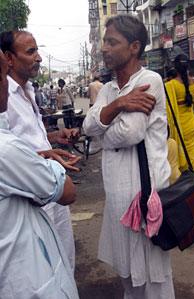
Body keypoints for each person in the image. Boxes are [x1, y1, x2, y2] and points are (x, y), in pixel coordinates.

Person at [83, 15, 175, 299]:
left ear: (134, 47)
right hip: (117, 197)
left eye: (112, 42)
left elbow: (128, 134)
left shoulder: (149, 80)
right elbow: (87, 126)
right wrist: (119, 104)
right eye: (104, 42)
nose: (104, 48)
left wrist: (102, 129)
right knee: (128, 278)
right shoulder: (110, 89)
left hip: (144, 197)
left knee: (154, 279)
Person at [0, 49, 79, 299]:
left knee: (59, 251)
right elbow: (67, 191)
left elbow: (29, 141)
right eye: (30, 51)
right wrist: (42, 162)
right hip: (33, 187)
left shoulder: (29, 91)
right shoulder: (6, 143)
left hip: (34, 179)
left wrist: (49, 144)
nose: (38, 57)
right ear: (10, 60)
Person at [165, 54, 194, 198]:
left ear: (175, 67)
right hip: (192, 124)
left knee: (188, 160)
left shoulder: (171, 85)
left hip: (181, 127)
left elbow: (167, 110)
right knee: (193, 157)